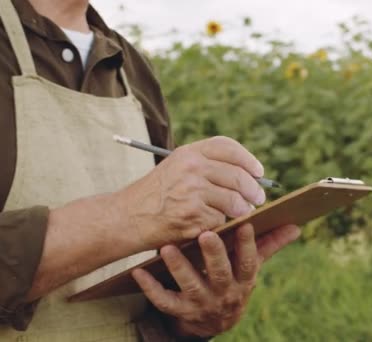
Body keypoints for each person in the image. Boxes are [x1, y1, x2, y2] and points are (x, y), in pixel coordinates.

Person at [0, 0, 301, 340]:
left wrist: (193, 314)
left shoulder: (133, 68)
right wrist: (126, 216)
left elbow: (148, 301)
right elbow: (139, 215)